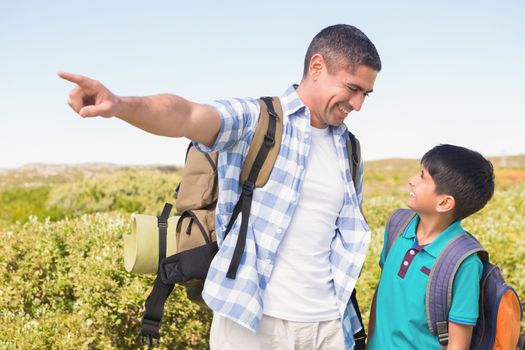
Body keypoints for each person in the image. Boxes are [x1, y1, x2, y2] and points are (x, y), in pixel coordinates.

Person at [59, 24, 381, 349]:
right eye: (352, 88)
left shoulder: (349, 149)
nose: (358, 104)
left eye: (365, 94)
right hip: (251, 324)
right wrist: (119, 104)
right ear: (316, 67)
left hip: (326, 325)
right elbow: (187, 114)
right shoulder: (258, 119)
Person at [367, 144, 495, 350]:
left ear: (444, 203)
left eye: (422, 176)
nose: (412, 180)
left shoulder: (463, 261)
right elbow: (382, 291)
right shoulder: (397, 225)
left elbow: (457, 344)